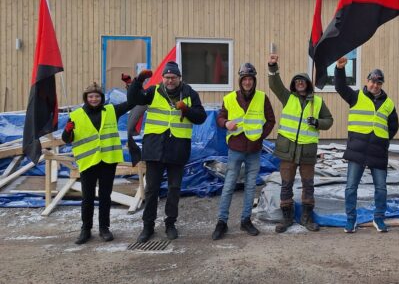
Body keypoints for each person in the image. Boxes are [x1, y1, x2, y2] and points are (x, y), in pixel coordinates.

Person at [127, 61, 207, 243]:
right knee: (151, 190)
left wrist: (186, 110)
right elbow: (133, 99)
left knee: (174, 189)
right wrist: (138, 81)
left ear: (180, 78)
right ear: (162, 78)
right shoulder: (153, 91)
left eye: (173, 77)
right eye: (167, 77)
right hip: (155, 149)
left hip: (177, 150)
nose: (170, 80)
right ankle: (148, 226)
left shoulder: (189, 94)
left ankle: (170, 223)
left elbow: (201, 117)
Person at [267, 53, 334, 233]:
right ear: (294, 85)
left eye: (302, 81)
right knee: (286, 184)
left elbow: (329, 120)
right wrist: (272, 66)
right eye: (296, 81)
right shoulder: (288, 97)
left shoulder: (317, 102)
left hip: (307, 151)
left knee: (308, 185)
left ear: (308, 84)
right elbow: (274, 84)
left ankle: (306, 218)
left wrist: (318, 122)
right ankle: (287, 218)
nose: (299, 83)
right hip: (288, 150)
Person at [212, 62, 276, 240]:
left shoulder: (262, 98)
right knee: (229, 185)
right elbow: (220, 117)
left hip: (254, 149)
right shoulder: (230, 98)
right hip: (236, 148)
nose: (247, 82)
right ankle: (221, 222)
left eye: (250, 79)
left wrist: (260, 136)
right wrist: (226, 123)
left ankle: (245, 220)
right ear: (240, 81)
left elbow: (271, 120)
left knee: (250, 186)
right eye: (244, 79)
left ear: (254, 80)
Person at [335, 56, 399, 233]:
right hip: (357, 150)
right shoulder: (355, 96)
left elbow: (394, 126)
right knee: (351, 187)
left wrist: (382, 140)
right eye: (372, 81)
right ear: (367, 81)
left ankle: (378, 219)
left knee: (381, 188)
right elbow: (340, 87)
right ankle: (350, 220)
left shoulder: (388, 103)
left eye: (378, 83)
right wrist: (340, 69)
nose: (375, 85)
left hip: (378, 152)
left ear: (382, 84)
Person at [62, 82, 131, 244]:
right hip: (88, 161)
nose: (94, 99)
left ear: (102, 98)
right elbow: (67, 140)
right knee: (87, 197)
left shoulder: (111, 111)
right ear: (86, 98)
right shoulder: (76, 115)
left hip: (108, 160)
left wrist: (130, 86)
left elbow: (131, 103)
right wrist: (68, 130)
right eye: (91, 96)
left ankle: (104, 228)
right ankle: (85, 230)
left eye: (97, 96)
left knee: (105, 196)